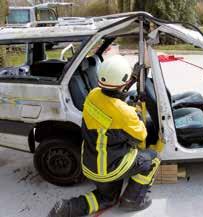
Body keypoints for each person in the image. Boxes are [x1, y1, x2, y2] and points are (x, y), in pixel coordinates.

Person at [48, 55, 161, 217]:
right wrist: (135, 113)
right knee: (153, 158)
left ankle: (67, 207)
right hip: (109, 169)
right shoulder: (125, 112)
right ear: (124, 82)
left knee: (107, 198)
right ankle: (132, 200)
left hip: (90, 165)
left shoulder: (93, 95)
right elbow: (141, 136)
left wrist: (132, 79)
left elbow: (112, 97)